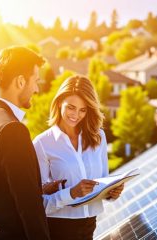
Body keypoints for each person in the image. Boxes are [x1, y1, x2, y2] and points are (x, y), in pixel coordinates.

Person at [0, 46, 51, 239]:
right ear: (21, 81)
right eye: (36, 81)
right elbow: (29, 208)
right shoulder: (12, 130)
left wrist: (37, 187)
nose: (37, 89)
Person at [33, 75, 124, 240]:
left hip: (90, 225)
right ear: (59, 102)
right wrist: (71, 193)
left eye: (83, 110)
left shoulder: (98, 137)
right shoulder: (42, 143)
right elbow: (37, 204)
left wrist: (111, 192)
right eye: (71, 107)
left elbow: (102, 180)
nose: (76, 115)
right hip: (59, 229)